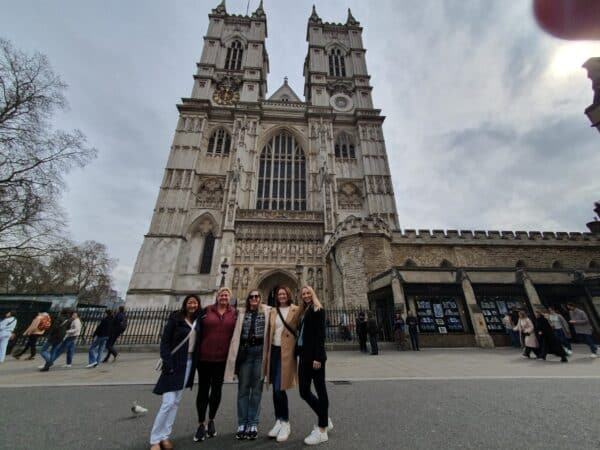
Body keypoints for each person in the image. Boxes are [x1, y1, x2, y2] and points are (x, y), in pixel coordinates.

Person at [150, 295, 202, 450]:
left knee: (176, 402)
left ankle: (165, 436)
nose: (192, 305)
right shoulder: (175, 319)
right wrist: (167, 361)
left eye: (195, 303)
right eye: (190, 302)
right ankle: (154, 440)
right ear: (185, 304)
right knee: (168, 403)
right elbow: (165, 342)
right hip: (173, 363)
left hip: (188, 363)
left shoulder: (198, 321)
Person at [224, 289, 271, 440]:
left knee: (256, 390)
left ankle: (253, 423)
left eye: (257, 296)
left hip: (259, 353)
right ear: (248, 298)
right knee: (243, 389)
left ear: (261, 298)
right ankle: (242, 423)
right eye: (252, 296)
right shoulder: (240, 313)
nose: (254, 298)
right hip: (245, 354)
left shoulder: (268, 312)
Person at [194, 287, 236, 442]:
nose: (224, 297)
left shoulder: (234, 313)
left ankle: (211, 419)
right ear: (217, 296)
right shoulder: (206, 311)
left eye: (226, 295)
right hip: (204, 358)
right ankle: (200, 423)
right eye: (221, 295)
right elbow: (193, 328)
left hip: (222, 359)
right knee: (203, 391)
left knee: (217, 390)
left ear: (230, 298)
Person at [266, 285, 303, 442]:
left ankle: (285, 422)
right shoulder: (273, 311)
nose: (281, 296)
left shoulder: (296, 309)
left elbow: (308, 315)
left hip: (286, 352)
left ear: (289, 295)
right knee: (275, 388)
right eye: (279, 294)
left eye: (284, 294)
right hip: (273, 351)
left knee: (279, 388)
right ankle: (278, 420)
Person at [297, 285, 333, 445]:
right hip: (305, 356)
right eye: (303, 293)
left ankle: (322, 430)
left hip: (315, 358)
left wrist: (318, 357)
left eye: (308, 293)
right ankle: (324, 417)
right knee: (304, 391)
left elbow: (320, 335)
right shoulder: (305, 311)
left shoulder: (318, 309)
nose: (305, 295)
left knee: (320, 389)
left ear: (313, 294)